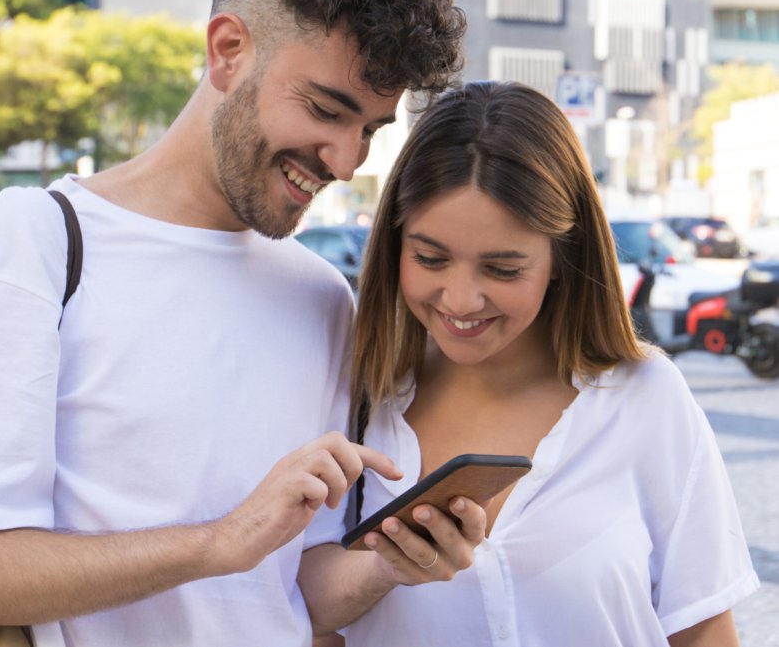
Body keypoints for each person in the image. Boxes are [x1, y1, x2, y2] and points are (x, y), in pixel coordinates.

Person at [0, 0, 477, 645]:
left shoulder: (323, 299)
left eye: (370, 130)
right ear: (227, 50)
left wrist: (393, 564)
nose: (346, 161)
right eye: (326, 109)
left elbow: (288, 587)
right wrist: (216, 542)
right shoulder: (37, 242)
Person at [317, 81, 759, 646]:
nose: (460, 300)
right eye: (430, 258)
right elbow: (307, 617)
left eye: (502, 270)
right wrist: (383, 567)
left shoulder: (647, 399)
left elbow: (702, 631)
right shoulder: (355, 391)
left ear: (561, 259)